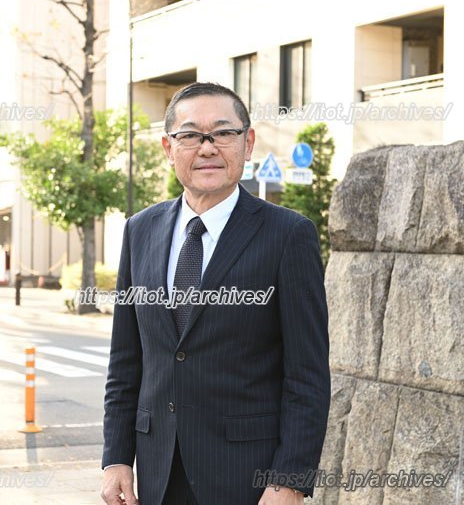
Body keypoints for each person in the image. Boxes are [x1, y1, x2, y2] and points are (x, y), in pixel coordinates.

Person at [101, 82, 330, 505]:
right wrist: (116, 459)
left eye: (223, 133)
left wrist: (288, 482)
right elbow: (126, 359)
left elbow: (307, 376)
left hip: (249, 479)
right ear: (169, 148)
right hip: (158, 476)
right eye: (190, 135)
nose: (207, 148)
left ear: (248, 143)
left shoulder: (288, 236)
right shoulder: (140, 230)